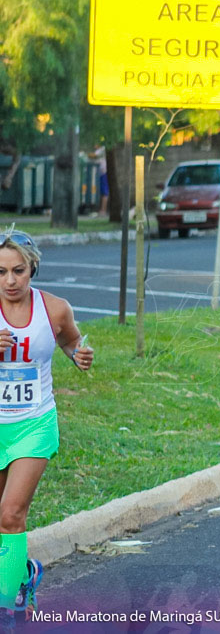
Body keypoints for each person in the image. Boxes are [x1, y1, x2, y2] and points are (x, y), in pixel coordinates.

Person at [0, 228, 93, 621]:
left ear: (32, 268)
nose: (9, 281)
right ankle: (24, 575)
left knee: (10, 514)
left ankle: (5, 608)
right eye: (0, 272)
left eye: (18, 271)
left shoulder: (55, 309)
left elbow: (71, 341)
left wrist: (79, 355)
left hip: (34, 424)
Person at [89, 146, 108, 217]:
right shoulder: (99, 150)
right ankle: (101, 209)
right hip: (100, 173)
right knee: (101, 192)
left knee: (105, 191)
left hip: (104, 172)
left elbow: (94, 156)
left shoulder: (103, 149)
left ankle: (103, 210)